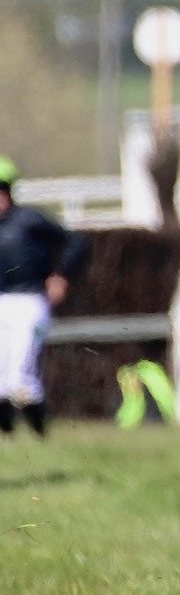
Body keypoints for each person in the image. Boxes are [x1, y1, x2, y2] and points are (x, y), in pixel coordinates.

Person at [0, 156, 85, 437]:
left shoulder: (30, 221)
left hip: (29, 301)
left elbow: (75, 242)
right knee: (4, 378)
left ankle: (39, 431)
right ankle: (14, 434)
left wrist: (61, 275)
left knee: (19, 374)